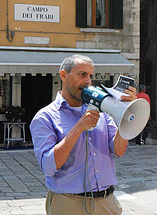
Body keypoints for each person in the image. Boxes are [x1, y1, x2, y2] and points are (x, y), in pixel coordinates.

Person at [30, 54, 137, 215]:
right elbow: (49, 166)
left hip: (107, 202)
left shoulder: (103, 111)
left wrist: (124, 117)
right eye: (82, 74)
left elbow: (119, 150)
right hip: (68, 204)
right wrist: (79, 127)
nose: (88, 81)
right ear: (64, 75)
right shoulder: (44, 117)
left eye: (90, 76)